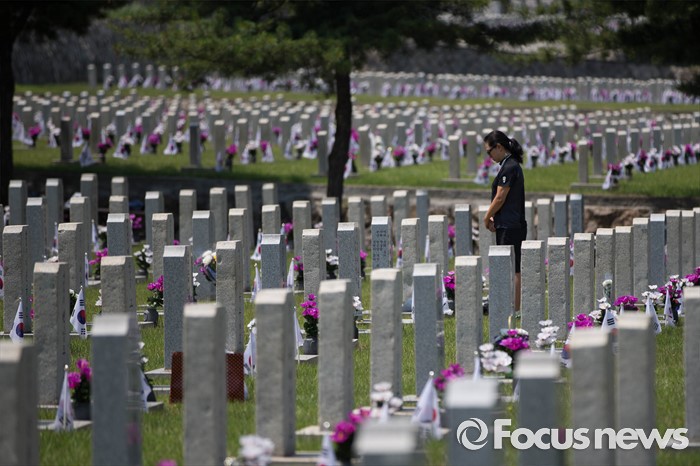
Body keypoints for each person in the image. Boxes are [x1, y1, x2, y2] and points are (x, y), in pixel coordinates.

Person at [482, 130, 527, 313]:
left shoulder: (509, 167)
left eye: (489, 151)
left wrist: (487, 217)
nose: (489, 156)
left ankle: (513, 309)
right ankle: (511, 307)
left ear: (499, 147)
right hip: (511, 223)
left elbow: (500, 197)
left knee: (512, 268)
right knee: (512, 267)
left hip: (509, 225)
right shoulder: (510, 164)